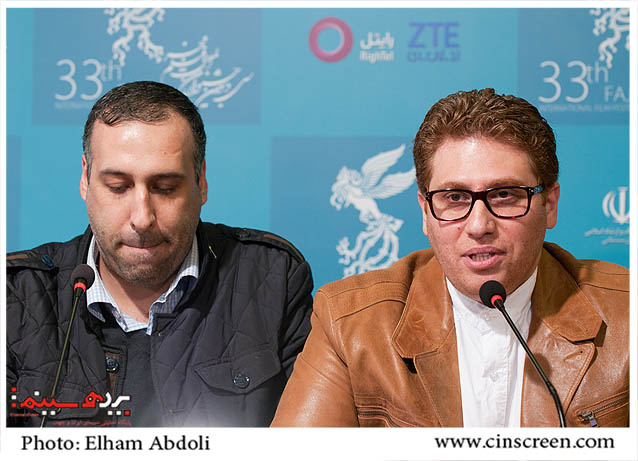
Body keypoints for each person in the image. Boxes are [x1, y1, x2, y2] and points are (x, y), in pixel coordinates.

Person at [271, 88, 629, 427]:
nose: (479, 226)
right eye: (455, 198)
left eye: (504, 195)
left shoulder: (628, 315)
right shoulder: (350, 323)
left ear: (549, 205)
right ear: (425, 212)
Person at [7, 81, 313, 427]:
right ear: (85, 179)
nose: (142, 218)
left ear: (201, 182)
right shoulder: (16, 296)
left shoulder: (272, 281)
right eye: (118, 187)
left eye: (165, 188)